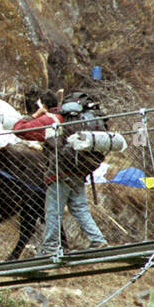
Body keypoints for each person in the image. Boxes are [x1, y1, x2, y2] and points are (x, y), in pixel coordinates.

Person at [39, 93, 107, 255]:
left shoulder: (54, 119)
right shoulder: (79, 119)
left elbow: (20, 130)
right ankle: (97, 240)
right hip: (80, 170)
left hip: (60, 172)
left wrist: (36, 116)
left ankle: (50, 248)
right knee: (80, 207)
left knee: (53, 211)